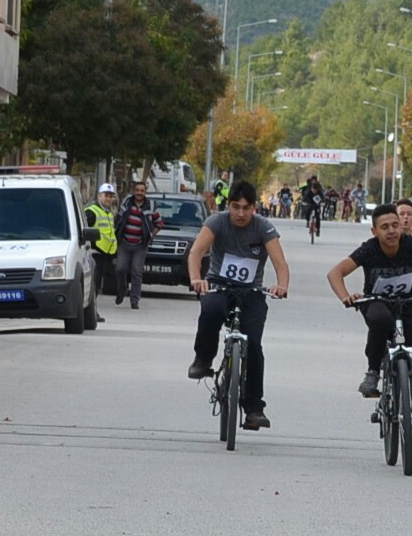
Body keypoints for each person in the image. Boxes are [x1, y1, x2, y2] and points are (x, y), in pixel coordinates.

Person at [328, 203, 412, 451]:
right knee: (380, 320)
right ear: (374, 231)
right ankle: (373, 371)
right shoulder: (369, 249)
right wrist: (345, 296)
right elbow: (335, 273)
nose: (391, 231)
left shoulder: (411, 245)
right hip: (377, 303)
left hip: (409, 305)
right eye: (385, 227)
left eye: (395, 225)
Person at [186, 181, 290, 431]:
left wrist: (281, 285)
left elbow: (280, 262)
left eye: (246, 208)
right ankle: (203, 358)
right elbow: (196, 253)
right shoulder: (217, 222)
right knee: (210, 310)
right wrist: (196, 279)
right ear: (228, 206)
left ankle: (254, 408)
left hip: (251, 291)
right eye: (235, 207)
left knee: (253, 344)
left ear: (254, 208)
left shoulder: (264, 227)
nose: (241, 213)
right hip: (219, 285)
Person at [113, 182, 162, 309]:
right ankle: (122, 290)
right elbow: (118, 218)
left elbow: (159, 223)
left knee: (136, 271)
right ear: (134, 191)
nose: (139, 193)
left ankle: (134, 300)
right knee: (120, 269)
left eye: (142, 190)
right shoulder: (126, 203)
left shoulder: (151, 206)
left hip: (140, 245)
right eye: (137, 190)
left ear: (145, 192)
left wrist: (151, 235)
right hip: (124, 243)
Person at [83, 184, 119, 309]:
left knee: (97, 284)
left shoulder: (108, 213)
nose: (108, 199)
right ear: (99, 196)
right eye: (106, 196)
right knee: (93, 283)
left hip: (104, 253)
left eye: (110, 196)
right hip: (94, 253)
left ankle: (92, 310)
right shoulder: (91, 212)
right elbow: (85, 232)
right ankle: (90, 311)